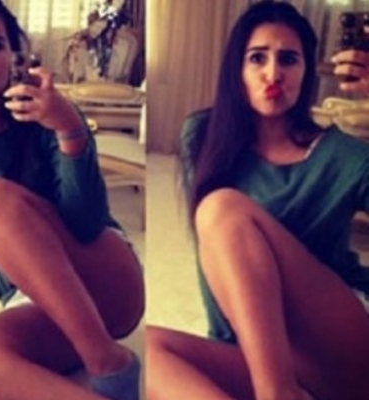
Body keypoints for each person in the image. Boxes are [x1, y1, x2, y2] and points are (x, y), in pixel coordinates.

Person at [145, 2, 369, 400]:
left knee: (221, 210)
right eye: (257, 58)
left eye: (289, 59)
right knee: (150, 352)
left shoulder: (346, 156)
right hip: (264, 353)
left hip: (343, 345)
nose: (273, 73)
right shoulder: (203, 136)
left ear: (307, 70)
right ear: (237, 69)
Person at [0, 0, 144, 399]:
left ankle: (107, 362)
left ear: (14, 53)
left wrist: (67, 126)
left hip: (107, 280)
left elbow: (87, 223)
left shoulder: (49, 113)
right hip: (34, 299)